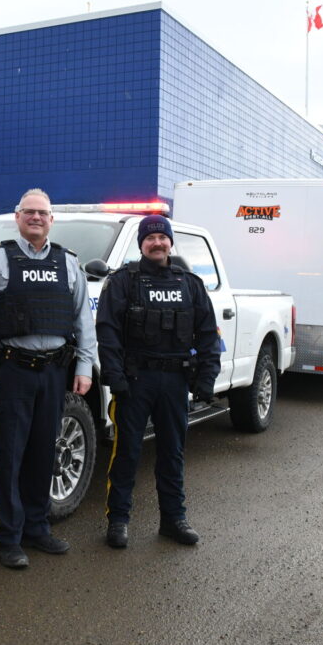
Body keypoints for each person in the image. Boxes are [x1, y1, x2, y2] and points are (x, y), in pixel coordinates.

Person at [0, 188, 97, 569]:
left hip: (56, 371)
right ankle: (8, 536)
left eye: (42, 213)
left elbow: (82, 321)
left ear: (51, 219)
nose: (36, 218)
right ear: (17, 216)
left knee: (45, 451)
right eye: (29, 212)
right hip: (14, 370)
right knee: (9, 455)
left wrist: (85, 367)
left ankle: (37, 528)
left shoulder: (68, 263)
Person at [95, 214, 221, 549]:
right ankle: (118, 521)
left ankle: (173, 519)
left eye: (162, 238)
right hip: (136, 381)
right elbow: (107, 333)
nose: (157, 243)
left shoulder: (189, 284)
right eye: (150, 238)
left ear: (170, 242)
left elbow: (208, 334)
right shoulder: (123, 281)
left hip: (176, 380)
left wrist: (207, 378)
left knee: (173, 453)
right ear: (142, 244)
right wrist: (115, 378)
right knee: (127, 453)